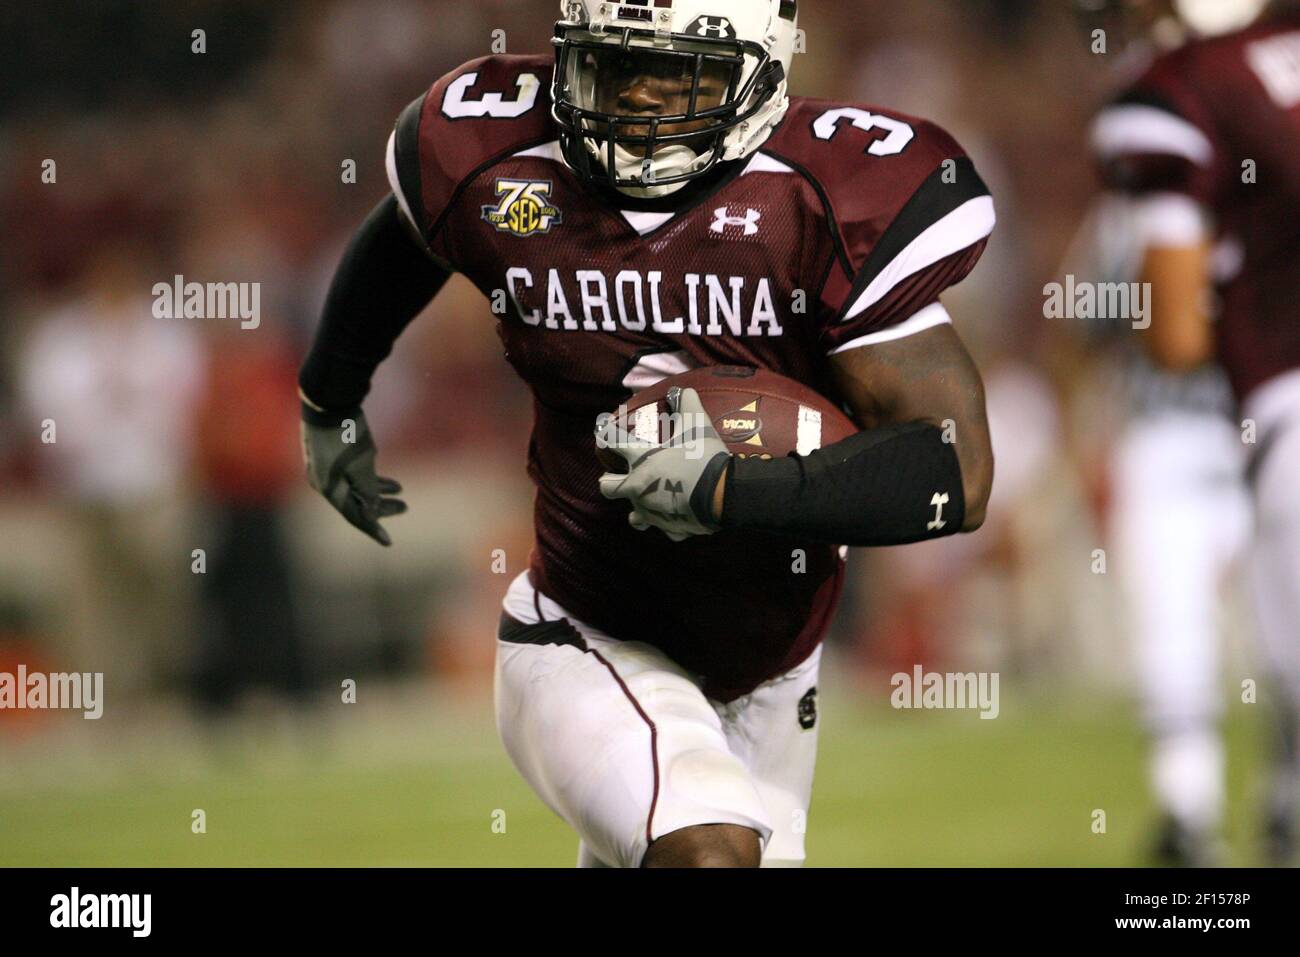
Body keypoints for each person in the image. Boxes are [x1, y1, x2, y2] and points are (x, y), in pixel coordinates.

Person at [299, 0, 996, 867]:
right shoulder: (503, 159)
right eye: (613, 65)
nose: (634, 99)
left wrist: (732, 491)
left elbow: (956, 472)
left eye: (676, 73)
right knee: (708, 854)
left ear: (761, 69)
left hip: (774, 666)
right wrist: (329, 395)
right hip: (586, 625)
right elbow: (408, 240)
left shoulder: (822, 198)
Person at [1089, 0, 1300, 864]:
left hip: (1249, 418)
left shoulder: (1179, 93)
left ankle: (1229, 805)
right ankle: (1204, 804)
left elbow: (1173, 335)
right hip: (1197, 434)